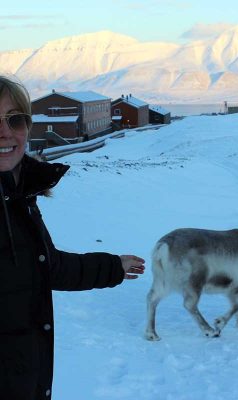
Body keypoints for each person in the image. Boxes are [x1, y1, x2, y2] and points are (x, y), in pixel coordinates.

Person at [0, 75, 145, 400]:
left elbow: (45, 267)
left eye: (15, 119)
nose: (5, 131)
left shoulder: (17, 197)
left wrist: (112, 267)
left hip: (27, 379)